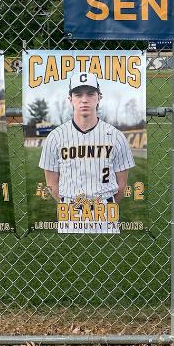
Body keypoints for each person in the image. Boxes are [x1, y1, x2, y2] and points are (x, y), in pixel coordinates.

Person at [39, 71, 135, 234]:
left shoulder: (116, 136)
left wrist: (108, 204)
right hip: (69, 210)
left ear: (99, 97)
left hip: (105, 210)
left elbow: (122, 184)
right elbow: (51, 183)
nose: (84, 100)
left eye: (90, 94)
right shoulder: (55, 137)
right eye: (78, 94)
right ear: (70, 99)